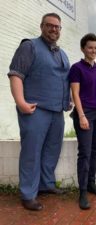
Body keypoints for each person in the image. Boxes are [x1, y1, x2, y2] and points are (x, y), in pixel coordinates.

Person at [7, 13, 70, 211]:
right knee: (31, 152)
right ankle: (28, 194)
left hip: (56, 112)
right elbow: (16, 75)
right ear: (42, 26)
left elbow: (63, 80)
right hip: (35, 111)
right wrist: (21, 102)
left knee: (52, 150)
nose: (54, 29)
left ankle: (46, 184)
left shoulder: (62, 53)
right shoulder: (29, 46)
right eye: (50, 26)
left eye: (57, 27)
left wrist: (66, 100)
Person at [69, 33, 96, 210]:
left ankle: (92, 183)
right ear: (83, 49)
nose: (93, 50)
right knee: (85, 153)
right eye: (90, 47)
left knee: (94, 151)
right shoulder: (76, 68)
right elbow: (75, 94)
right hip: (85, 113)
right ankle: (83, 192)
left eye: (95, 47)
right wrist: (81, 115)